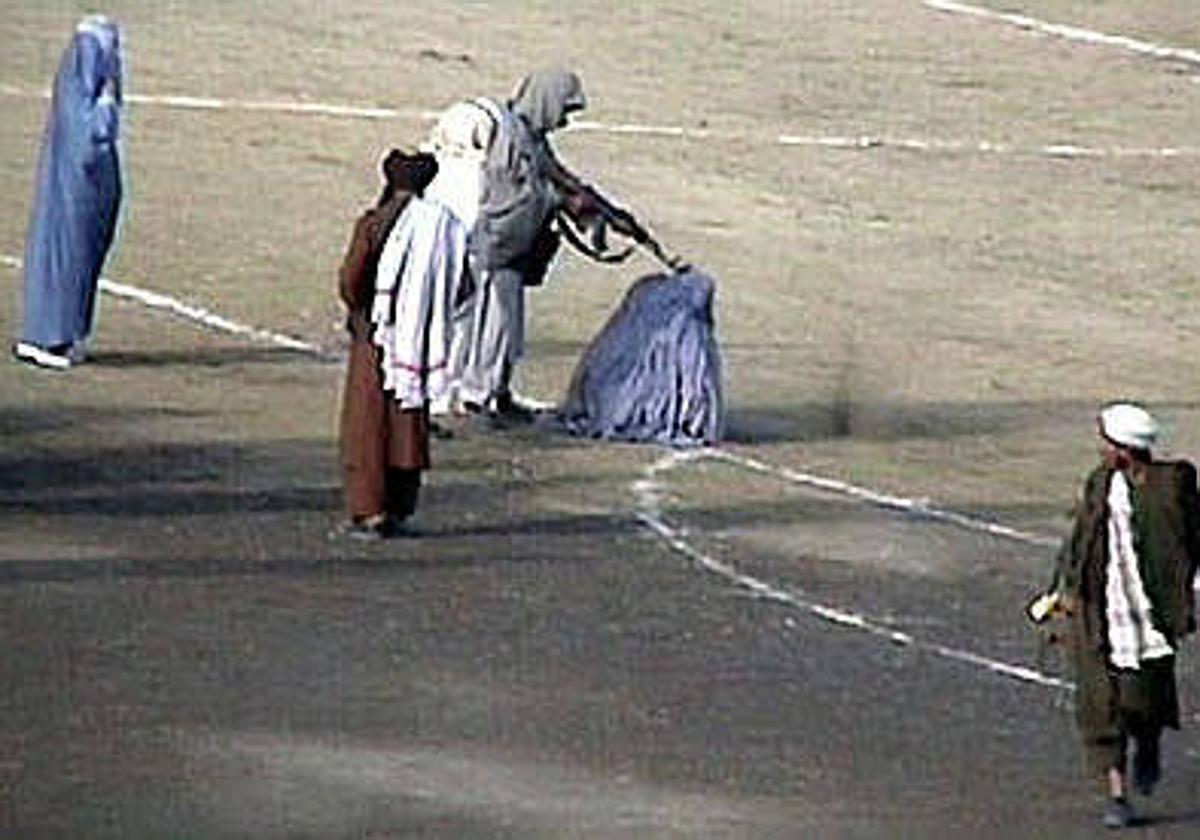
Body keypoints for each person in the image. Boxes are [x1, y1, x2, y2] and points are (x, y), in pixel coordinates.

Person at [1042, 402, 1198, 829]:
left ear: (1125, 449)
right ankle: (1117, 794)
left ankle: (1147, 745)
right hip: (1100, 610)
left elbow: (1189, 540)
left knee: (1142, 701)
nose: (1102, 451)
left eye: (1108, 444)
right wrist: (1065, 593)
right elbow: (1080, 543)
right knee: (1099, 705)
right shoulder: (1099, 484)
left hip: (1149, 616)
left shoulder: (1172, 487)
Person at [335, 149, 467, 540]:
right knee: (407, 427)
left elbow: (350, 282)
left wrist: (368, 312)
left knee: (368, 429)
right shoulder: (445, 227)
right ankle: (400, 507)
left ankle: (370, 510)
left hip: (375, 339)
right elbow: (461, 286)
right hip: (419, 342)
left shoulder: (373, 224)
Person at [454, 69, 598, 422]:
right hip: (492, 250)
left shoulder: (531, 139)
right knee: (488, 328)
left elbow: (552, 171)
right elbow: (509, 198)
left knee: (507, 331)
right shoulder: (509, 138)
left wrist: (578, 193)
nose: (563, 120)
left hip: (510, 254)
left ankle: (497, 392)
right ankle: (477, 397)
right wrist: (559, 201)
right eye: (562, 110)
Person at [14, 15, 124, 370]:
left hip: (85, 193)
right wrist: (106, 111)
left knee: (80, 262)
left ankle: (66, 334)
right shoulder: (79, 91)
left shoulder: (82, 87)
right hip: (74, 192)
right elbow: (88, 142)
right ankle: (46, 338)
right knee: (65, 259)